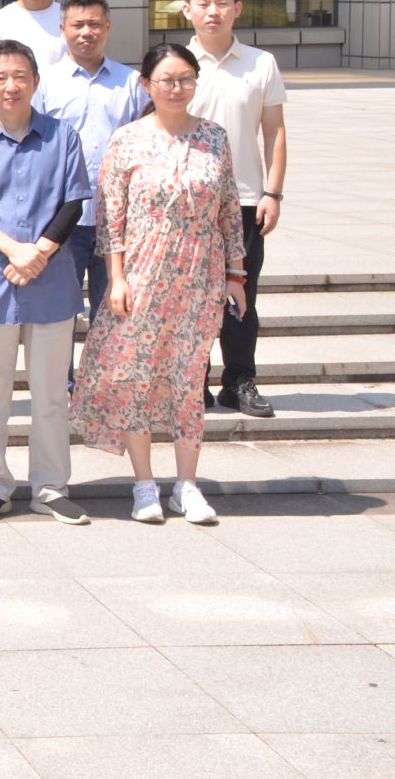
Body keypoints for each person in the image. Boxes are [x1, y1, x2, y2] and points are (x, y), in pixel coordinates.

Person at [72, 43, 248, 525]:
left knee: (190, 378)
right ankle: (144, 484)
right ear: (147, 85)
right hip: (143, 272)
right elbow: (111, 215)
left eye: (186, 79)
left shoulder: (213, 137)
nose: (177, 88)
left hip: (200, 274)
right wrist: (116, 277)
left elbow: (229, 208)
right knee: (136, 375)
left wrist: (235, 273)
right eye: (167, 80)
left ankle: (187, 485)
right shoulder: (127, 140)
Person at [0, 41, 93, 525]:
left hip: (51, 283)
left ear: (35, 81)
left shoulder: (62, 137)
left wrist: (38, 252)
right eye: (1, 77)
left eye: (20, 76)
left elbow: (73, 203)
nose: (11, 85)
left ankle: (50, 487)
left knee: (51, 394)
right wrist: (14, 250)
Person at [184, 0, 288, 420]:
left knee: (242, 294)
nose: (213, 11)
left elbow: (275, 131)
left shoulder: (260, 63)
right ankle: (194, 381)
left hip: (245, 200)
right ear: (187, 10)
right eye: (204, 3)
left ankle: (239, 380)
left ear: (237, 9)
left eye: (222, 3)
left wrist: (273, 193)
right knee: (190, 296)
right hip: (188, 202)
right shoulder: (175, 64)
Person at [36, 0, 147, 318]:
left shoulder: (132, 82)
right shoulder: (44, 83)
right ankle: (63, 358)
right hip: (62, 217)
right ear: (63, 28)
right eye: (78, 24)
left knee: (113, 310)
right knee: (58, 312)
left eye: (95, 24)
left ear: (108, 27)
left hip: (118, 217)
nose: (87, 32)